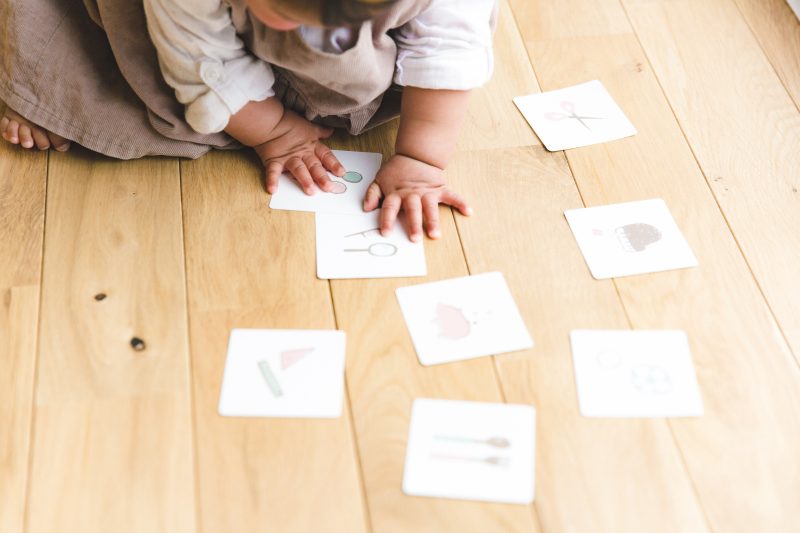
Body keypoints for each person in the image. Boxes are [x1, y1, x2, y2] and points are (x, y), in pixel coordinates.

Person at [0, 0, 496, 240]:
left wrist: (420, 157)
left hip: (355, 41)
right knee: (92, 66)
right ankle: (43, 82)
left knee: (415, 67)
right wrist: (275, 131)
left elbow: (449, 46)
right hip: (175, 23)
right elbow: (199, 62)